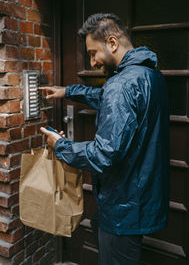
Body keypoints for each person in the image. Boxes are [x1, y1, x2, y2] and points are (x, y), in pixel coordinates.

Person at [40, 13, 169, 265]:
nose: (93, 61)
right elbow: (108, 99)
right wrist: (68, 91)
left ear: (112, 43)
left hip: (125, 207)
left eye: (92, 52)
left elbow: (105, 153)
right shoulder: (149, 75)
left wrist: (60, 146)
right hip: (139, 198)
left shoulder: (121, 85)